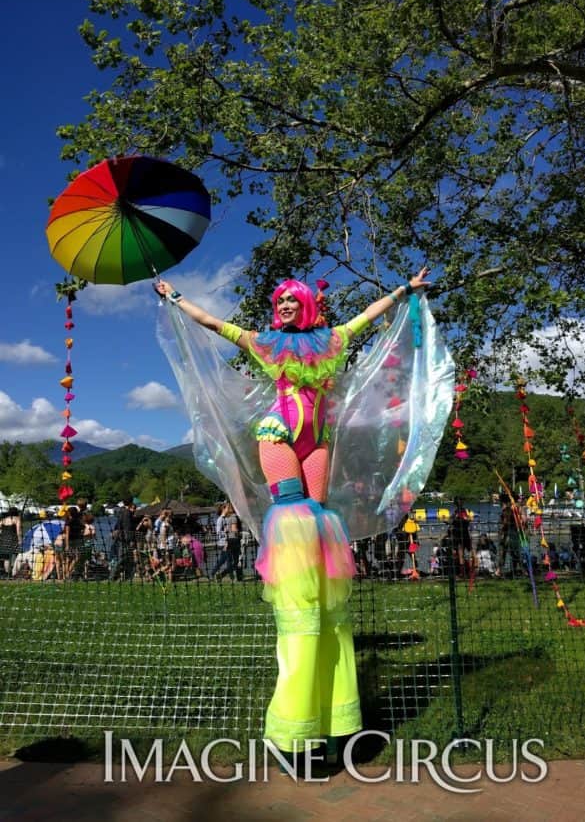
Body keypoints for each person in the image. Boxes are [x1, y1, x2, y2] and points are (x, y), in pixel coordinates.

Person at [155, 267, 452, 761]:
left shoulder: (331, 341)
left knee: (315, 515)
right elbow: (212, 324)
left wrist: (405, 292)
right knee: (293, 514)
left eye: (293, 301)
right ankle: (297, 601)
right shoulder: (266, 343)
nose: (286, 307)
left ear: (307, 305)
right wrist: (176, 297)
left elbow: (366, 317)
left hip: (319, 438)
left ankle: (320, 617)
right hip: (279, 431)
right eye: (281, 302)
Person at [496, 494, 522, 578]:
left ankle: (499, 571)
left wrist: (502, 530)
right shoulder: (511, 509)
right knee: (514, 553)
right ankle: (517, 570)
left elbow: (506, 522)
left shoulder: (507, 510)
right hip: (512, 533)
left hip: (508, 534)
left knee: (505, 553)